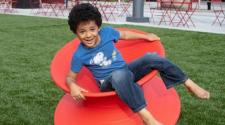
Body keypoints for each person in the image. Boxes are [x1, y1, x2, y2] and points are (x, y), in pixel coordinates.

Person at [66, 3, 210, 125]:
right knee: (118, 75)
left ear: (98, 27)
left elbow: (126, 35)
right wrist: (72, 85)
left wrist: (146, 36)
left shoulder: (108, 33)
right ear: (76, 33)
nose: (89, 35)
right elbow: (70, 77)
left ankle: (188, 83)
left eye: (92, 29)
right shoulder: (80, 54)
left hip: (126, 72)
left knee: (151, 57)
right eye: (82, 32)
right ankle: (147, 118)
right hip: (108, 83)